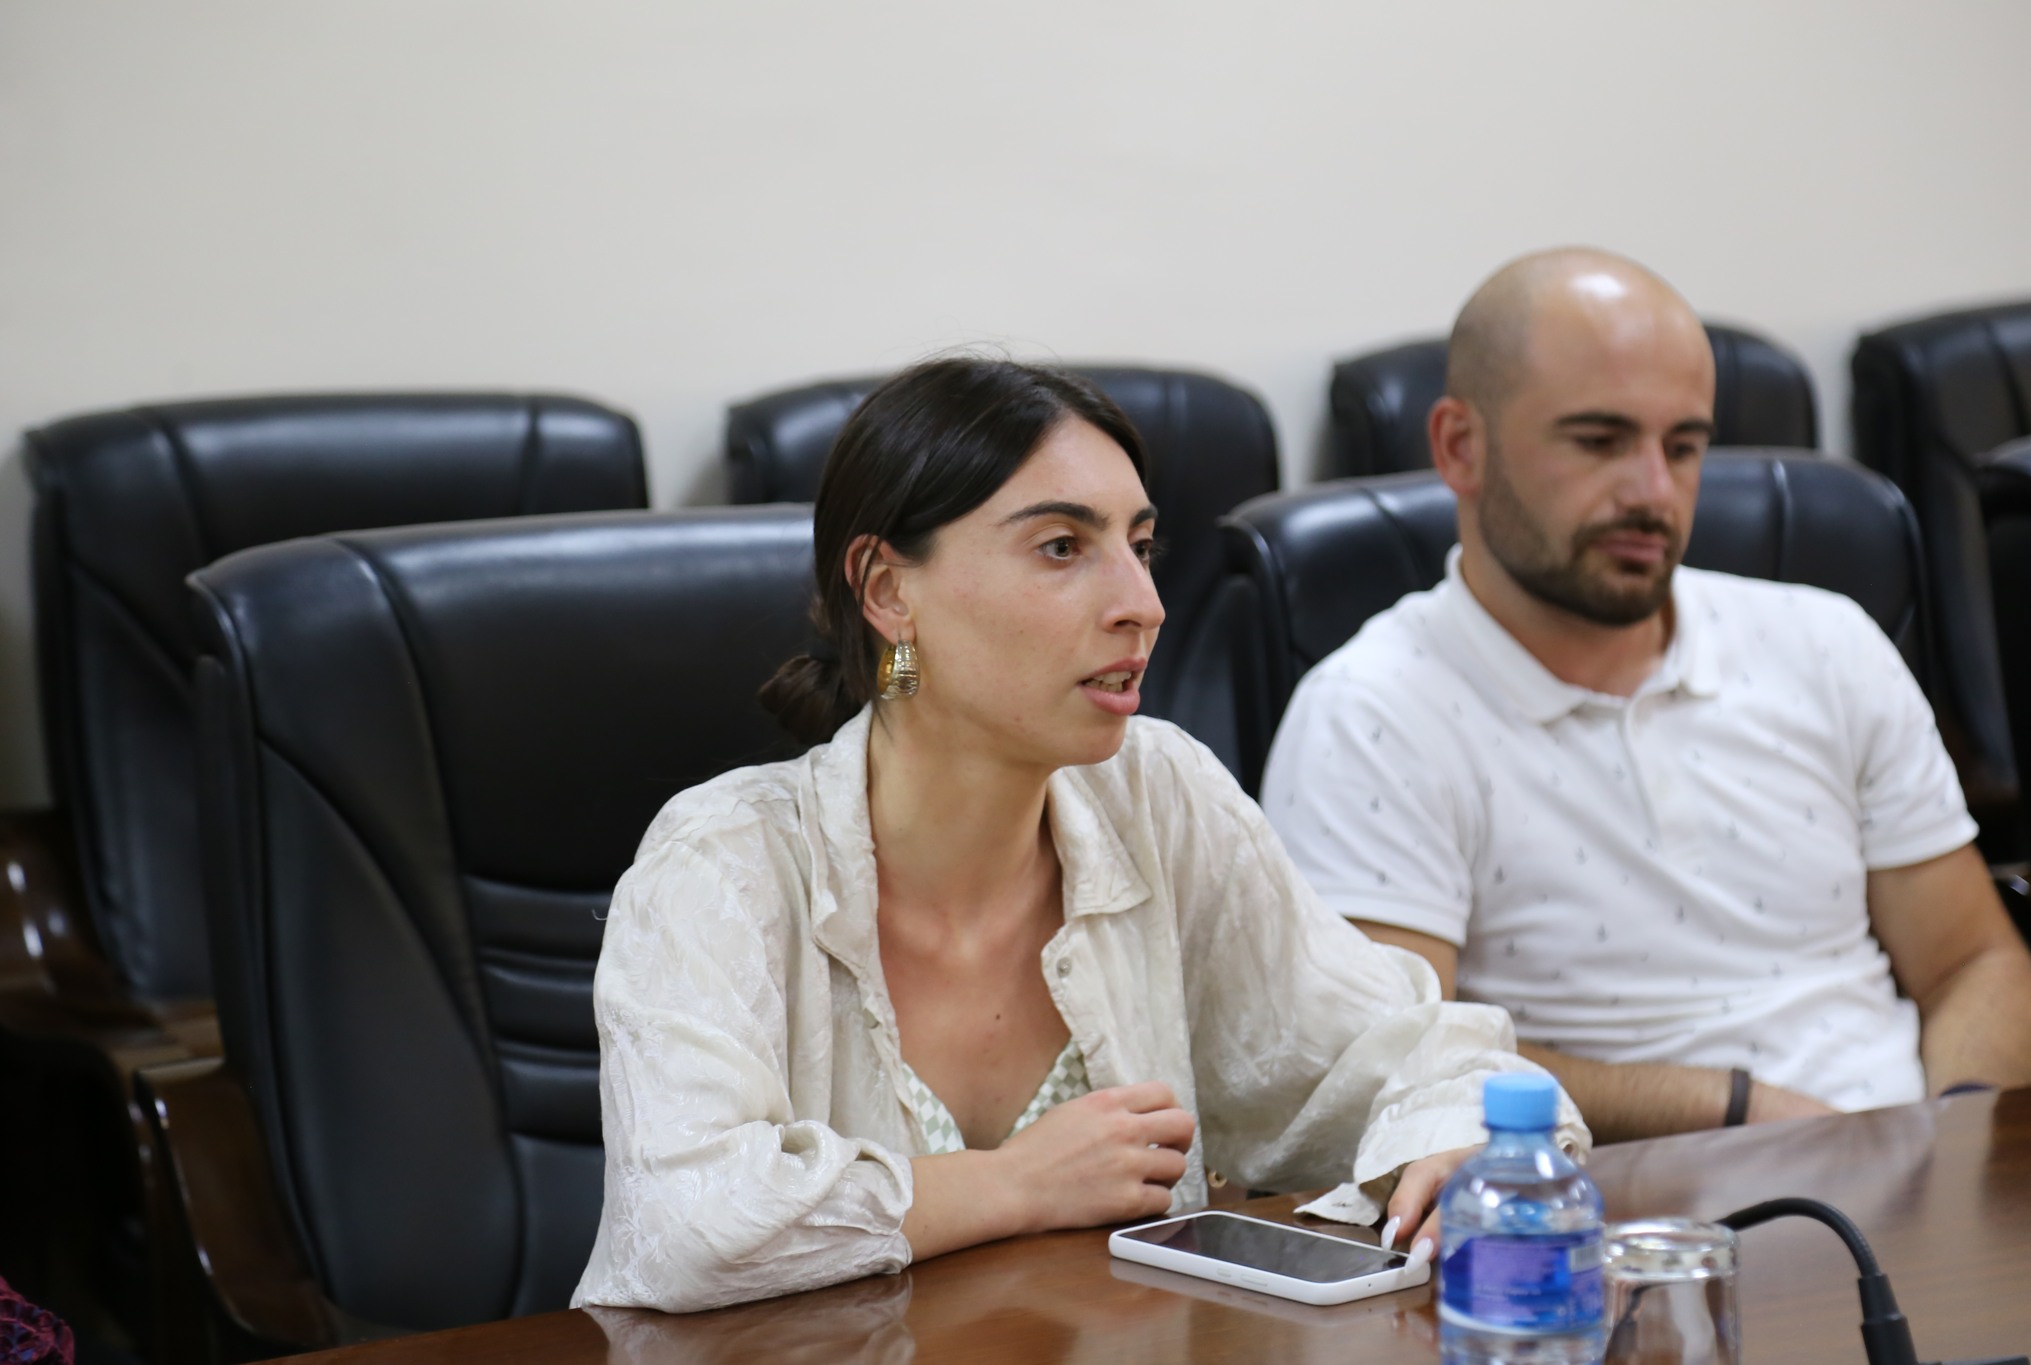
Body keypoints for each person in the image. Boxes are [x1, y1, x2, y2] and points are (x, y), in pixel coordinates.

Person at [571, 357, 1582, 1313]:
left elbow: (1396, 1051)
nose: (1143, 606)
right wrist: (1012, 1184)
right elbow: (684, 1224)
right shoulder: (723, 860)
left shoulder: (1158, 793)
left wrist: (1460, 1139)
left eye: (1140, 547)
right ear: (887, 590)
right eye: (1062, 547)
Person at [1262, 248, 2031, 1143]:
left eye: (1683, 447)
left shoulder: (1827, 642)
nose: (1653, 492)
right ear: (1460, 447)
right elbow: (1397, 1066)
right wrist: (1741, 1110)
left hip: (1910, 1162)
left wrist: (1954, 1146)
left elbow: (1974, 963)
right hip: (1623, 1197)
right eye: (1599, 441)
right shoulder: (1369, 714)